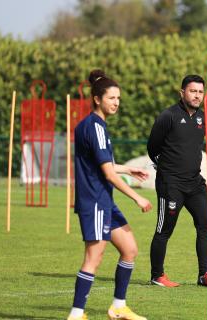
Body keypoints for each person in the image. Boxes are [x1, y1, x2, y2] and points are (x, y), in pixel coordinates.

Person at [67, 69, 152, 320]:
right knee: (94, 258)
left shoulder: (91, 125)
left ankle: (118, 307)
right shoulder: (96, 127)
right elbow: (108, 174)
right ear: (97, 99)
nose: (116, 103)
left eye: (118, 99)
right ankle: (76, 313)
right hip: (94, 201)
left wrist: (128, 168)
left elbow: (103, 164)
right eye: (111, 98)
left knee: (130, 249)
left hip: (104, 201)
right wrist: (137, 197)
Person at [147, 75, 207, 287]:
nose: (197, 95)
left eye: (200, 92)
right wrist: (166, 168)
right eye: (192, 91)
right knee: (165, 228)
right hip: (171, 183)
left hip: (195, 182)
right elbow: (152, 147)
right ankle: (157, 275)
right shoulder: (168, 116)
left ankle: (204, 275)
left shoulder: (204, 118)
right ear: (182, 93)